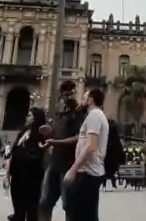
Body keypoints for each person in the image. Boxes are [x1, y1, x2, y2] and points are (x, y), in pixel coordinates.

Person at [37, 80, 85, 221]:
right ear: (62, 96)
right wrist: (49, 132)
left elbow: (79, 138)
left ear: (76, 93)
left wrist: (55, 142)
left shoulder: (80, 114)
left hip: (70, 165)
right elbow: (58, 133)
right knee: (45, 203)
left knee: (69, 207)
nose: (69, 97)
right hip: (55, 164)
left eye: (71, 93)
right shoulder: (60, 113)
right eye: (66, 95)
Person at [62, 88, 109, 221]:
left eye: (85, 97)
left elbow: (90, 146)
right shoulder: (98, 115)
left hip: (87, 172)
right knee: (87, 215)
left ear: (91, 100)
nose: (82, 99)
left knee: (78, 214)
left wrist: (73, 170)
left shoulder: (94, 115)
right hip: (90, 171)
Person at [6, 107, 48, 221]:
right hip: (17, 174)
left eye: (30, 115)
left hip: (31, 176)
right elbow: (15, 151)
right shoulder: (24, 132)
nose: (27, 117)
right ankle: (18, 216)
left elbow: (39, 153)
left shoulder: (40, 134)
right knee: (17, 202)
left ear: (36, 119)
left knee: (31, 207)